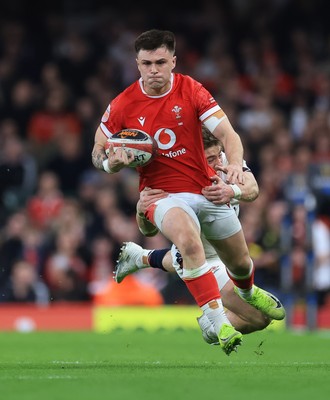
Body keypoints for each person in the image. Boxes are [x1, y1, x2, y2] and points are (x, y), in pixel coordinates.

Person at [92, 29, 285, 355]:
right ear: (137, 64)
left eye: (161, 62)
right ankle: (216, 321)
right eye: (146, 63)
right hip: (169, 202)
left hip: (208, 220)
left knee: (256, 308)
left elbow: (241, 162)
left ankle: (145, 260)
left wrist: (234, 178)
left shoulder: (195, 99)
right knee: (189, 241)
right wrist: (111, 163)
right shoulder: (122, 104)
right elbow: (98, 153)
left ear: (173, 62)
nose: (154, 69)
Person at [115, 128, 271, 345]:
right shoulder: (173, 179)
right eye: (210, 158)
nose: (218, 162)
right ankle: (213, 326)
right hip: (204, 262)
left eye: (219, 154)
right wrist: (141, 210)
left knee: (262, 312)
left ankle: (141, 257)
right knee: (261, 317)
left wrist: (232, 191)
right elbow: (147, 230)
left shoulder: (226, 161)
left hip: (225, 254)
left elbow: (253, 189)